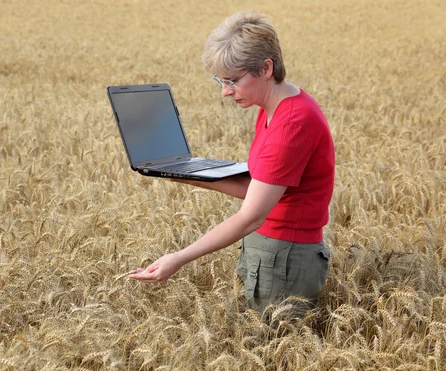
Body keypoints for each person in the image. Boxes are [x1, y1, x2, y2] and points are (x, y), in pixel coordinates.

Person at [128, 10, 335, 319]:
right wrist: (183, 173)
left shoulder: (292, 122)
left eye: (232, 81)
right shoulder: (271, 109)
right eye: (220, 81)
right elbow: (256, 188)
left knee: (274, 353)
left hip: (285, 257)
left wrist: (178, 258)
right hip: (268, 248)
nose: (225, 92)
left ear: (266, 68)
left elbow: (250, 216)